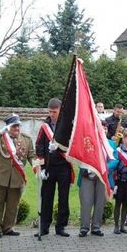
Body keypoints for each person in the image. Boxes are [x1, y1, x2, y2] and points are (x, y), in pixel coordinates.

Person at [0, 113, 38, 238]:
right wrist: (0, 132)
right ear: (8, 127)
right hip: (0, 175)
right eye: (14, 126)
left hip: (17, 176)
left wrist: (38, 167)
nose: (17, 129)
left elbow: (31, 156)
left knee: (13, 205)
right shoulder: (0, 137)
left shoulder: (26, 139)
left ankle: (8, 227)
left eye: (18, 126)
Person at [35, 98, 73, 237]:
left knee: (63, 198)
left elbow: (72, 144)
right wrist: (42, 165)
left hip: (64, 166)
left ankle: (61, 226)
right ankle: (44, 227)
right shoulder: (44, 127)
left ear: (60, 110)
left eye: (54, 111)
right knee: (46, 197)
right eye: (50, 111)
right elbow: (39, 145)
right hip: (49, 166)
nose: (52, 114)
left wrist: (61, 149)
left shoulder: (67, 126)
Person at [78, 121, 118, 237]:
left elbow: (115, 160)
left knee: (100, 203)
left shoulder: (111, 144)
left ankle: (96, 227)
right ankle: (84, 228)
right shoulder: (87, 141)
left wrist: (104, 168)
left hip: (102, 177)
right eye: (100, 128)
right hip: (87, 176)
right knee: (86, 202)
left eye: (105, 128)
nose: (103, 130)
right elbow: (79, 156)